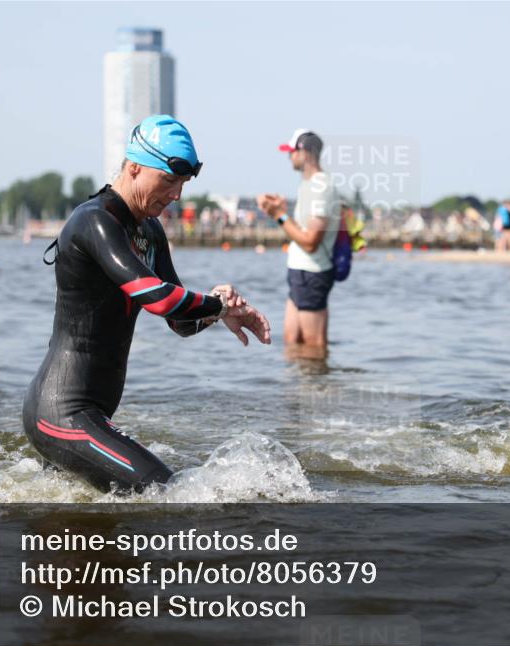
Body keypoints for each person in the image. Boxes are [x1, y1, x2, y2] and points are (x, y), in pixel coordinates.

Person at [23, 115, 271, 493]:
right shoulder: (95, 221)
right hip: (61, 414)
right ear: (135, 167)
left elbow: (180, 322)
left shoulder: (150, 231)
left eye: (183, 184)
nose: (177, 195)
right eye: (169, 181)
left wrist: (218, 314)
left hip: (91, 414)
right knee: (170, 496)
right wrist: (217, 305)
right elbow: (156, 297)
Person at [257, 129, 340, 358]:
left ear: (304, 152)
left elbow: (311, 241)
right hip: (300, 272)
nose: (289, 157)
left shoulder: (321, 187)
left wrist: (279, 215)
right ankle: (300, 383)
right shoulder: (308, 184)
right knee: (292, 344)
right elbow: (303, 230)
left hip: (312, 273)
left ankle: (319, 381)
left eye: (291, 152)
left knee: (314, 347)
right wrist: (282, 211)